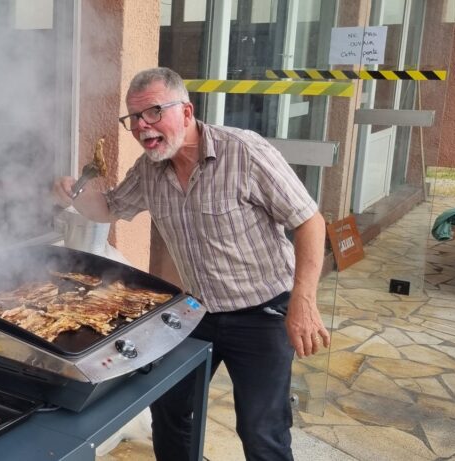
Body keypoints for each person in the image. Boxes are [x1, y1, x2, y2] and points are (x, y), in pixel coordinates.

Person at [52, 67, 330, 461]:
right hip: (199, 311)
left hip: (263, 313)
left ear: (186, 111)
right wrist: (70, 194)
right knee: (169, 409)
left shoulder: (244, 151)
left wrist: (303, 299)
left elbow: (309, 221)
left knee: (260, 430)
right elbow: (109, 208)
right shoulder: (150, 170)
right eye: (133, 118)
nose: (142, 127)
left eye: (152, 113)